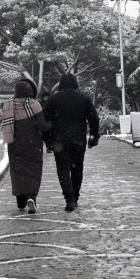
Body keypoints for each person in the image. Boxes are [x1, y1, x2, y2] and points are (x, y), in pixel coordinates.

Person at [43, 73, 100, 212]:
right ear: (75, 83)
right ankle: (75, 195)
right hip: (78, 140)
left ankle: (69, 199)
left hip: (59, 141)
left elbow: (45, 120)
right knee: (77, 169)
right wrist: (93, 136)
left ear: (61, 84)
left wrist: (48, 141)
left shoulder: (54, 99)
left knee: (63, 170)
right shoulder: (83, 98)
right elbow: (94, 118)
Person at [1, 78, 52, 213]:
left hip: (14, 144)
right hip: (33, 144)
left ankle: (20, 200)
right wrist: (51, 124)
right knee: (33, 170)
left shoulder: (8, 106)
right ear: (30, 91)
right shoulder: (34, 105)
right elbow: (43, 126)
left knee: (17, 171)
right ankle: (31, 197)